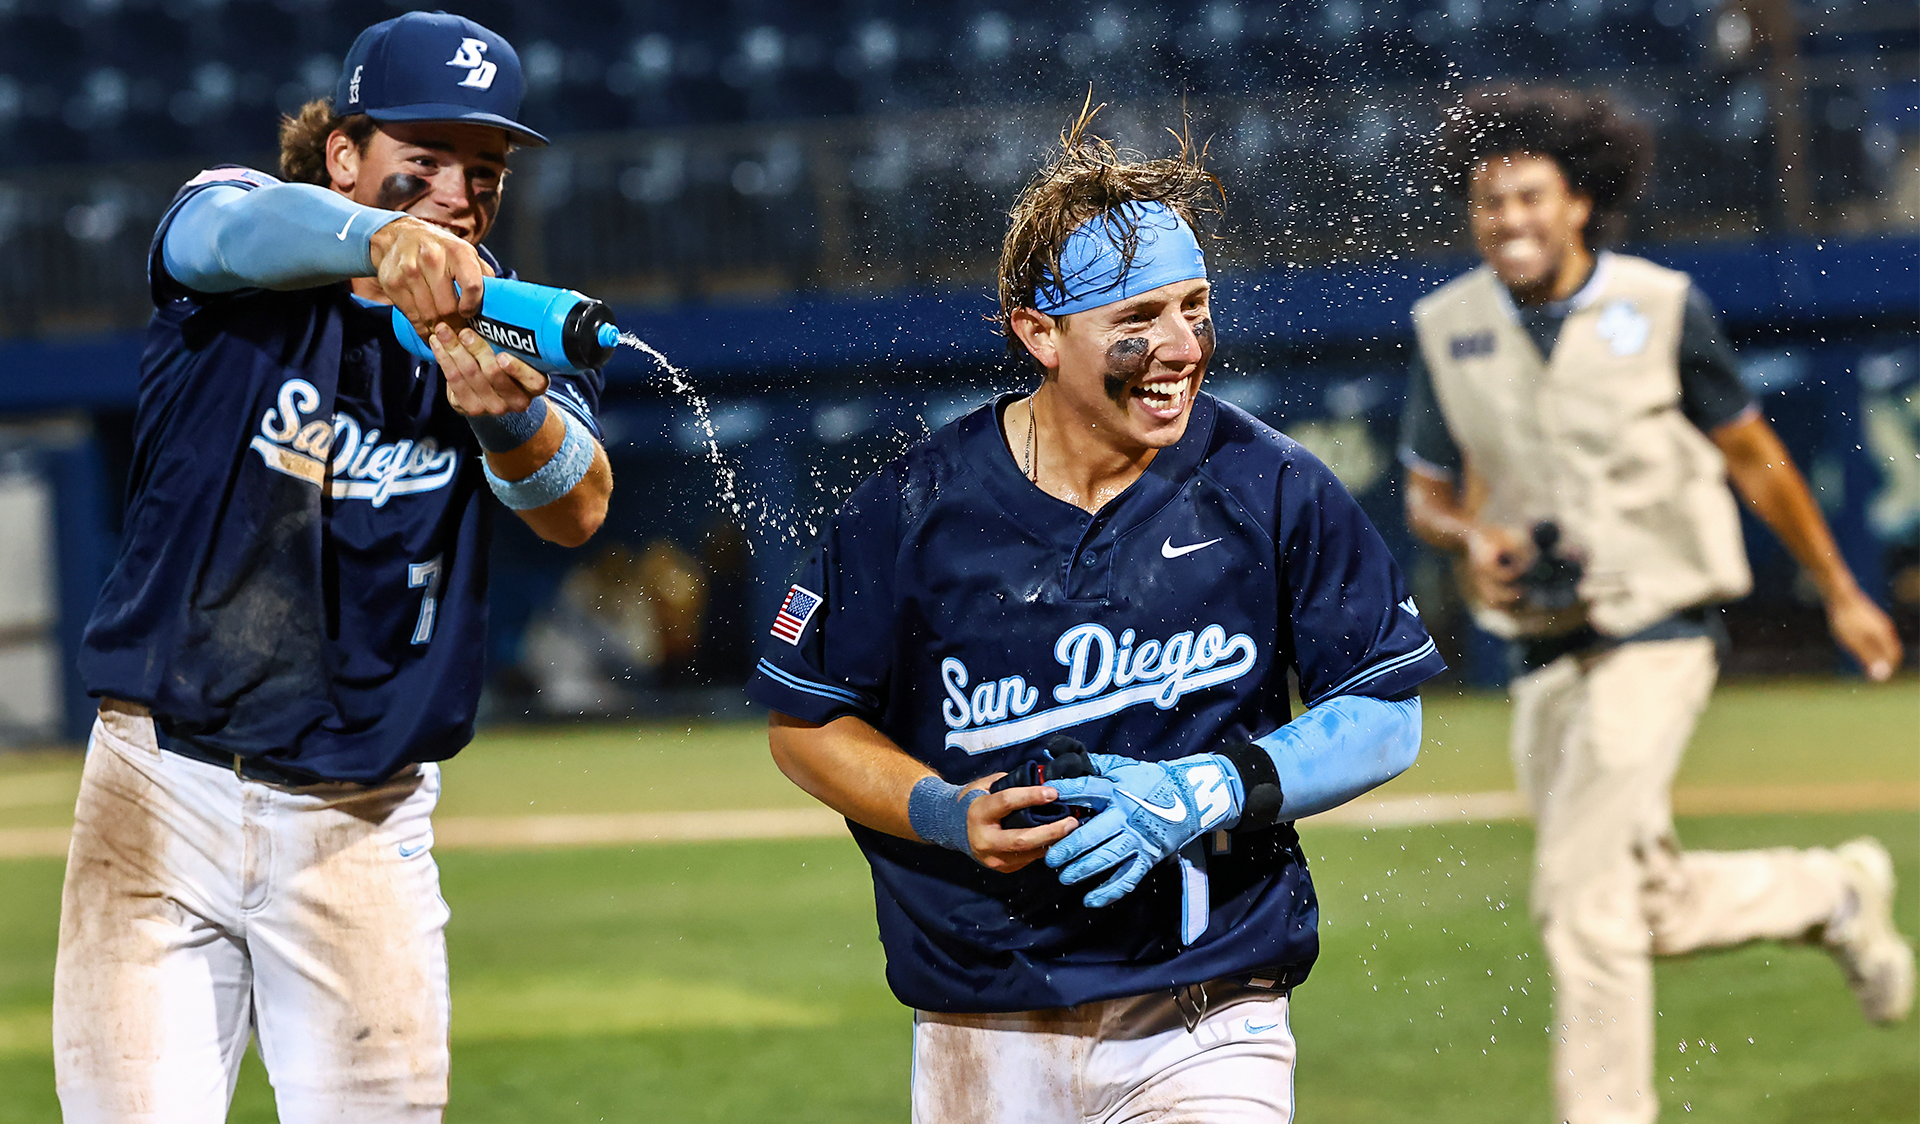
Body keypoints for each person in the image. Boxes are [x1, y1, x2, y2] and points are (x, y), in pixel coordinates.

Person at [747, 107, 1448, 1123]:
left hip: (1210, 1003)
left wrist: (1204, 786)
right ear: (1037, 332)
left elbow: (1385, 710)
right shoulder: (909, 511)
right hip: (982, 1015)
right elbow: (806, 725)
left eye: (1194, 305)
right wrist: (941, 810)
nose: (1179, 346)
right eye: (1138, 318)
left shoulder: (1271, 483)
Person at [54, 12, 612, 1122]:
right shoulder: (244, 242)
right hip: (163, 791)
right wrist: (374, 240)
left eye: (483, 170)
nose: (456, 191)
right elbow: (224, 234)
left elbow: (579, 504)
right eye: (425, 160)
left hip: (364, 816)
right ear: (344, 153)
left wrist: (510, 428)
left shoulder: (491, 320)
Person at [1400, 85, 1913, 1124]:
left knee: (1581, 908)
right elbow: (1424, 492)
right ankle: (1832, 891)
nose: (1507, 221)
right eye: (1488, 203)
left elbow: (1756, 460)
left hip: (1658, 631)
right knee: (1642, 903)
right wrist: (1470, 538)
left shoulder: (1661, 304)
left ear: (1577, 200)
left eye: (1528, 198)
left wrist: (1839, 591)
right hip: (1541, 650)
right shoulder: (1442, 325)